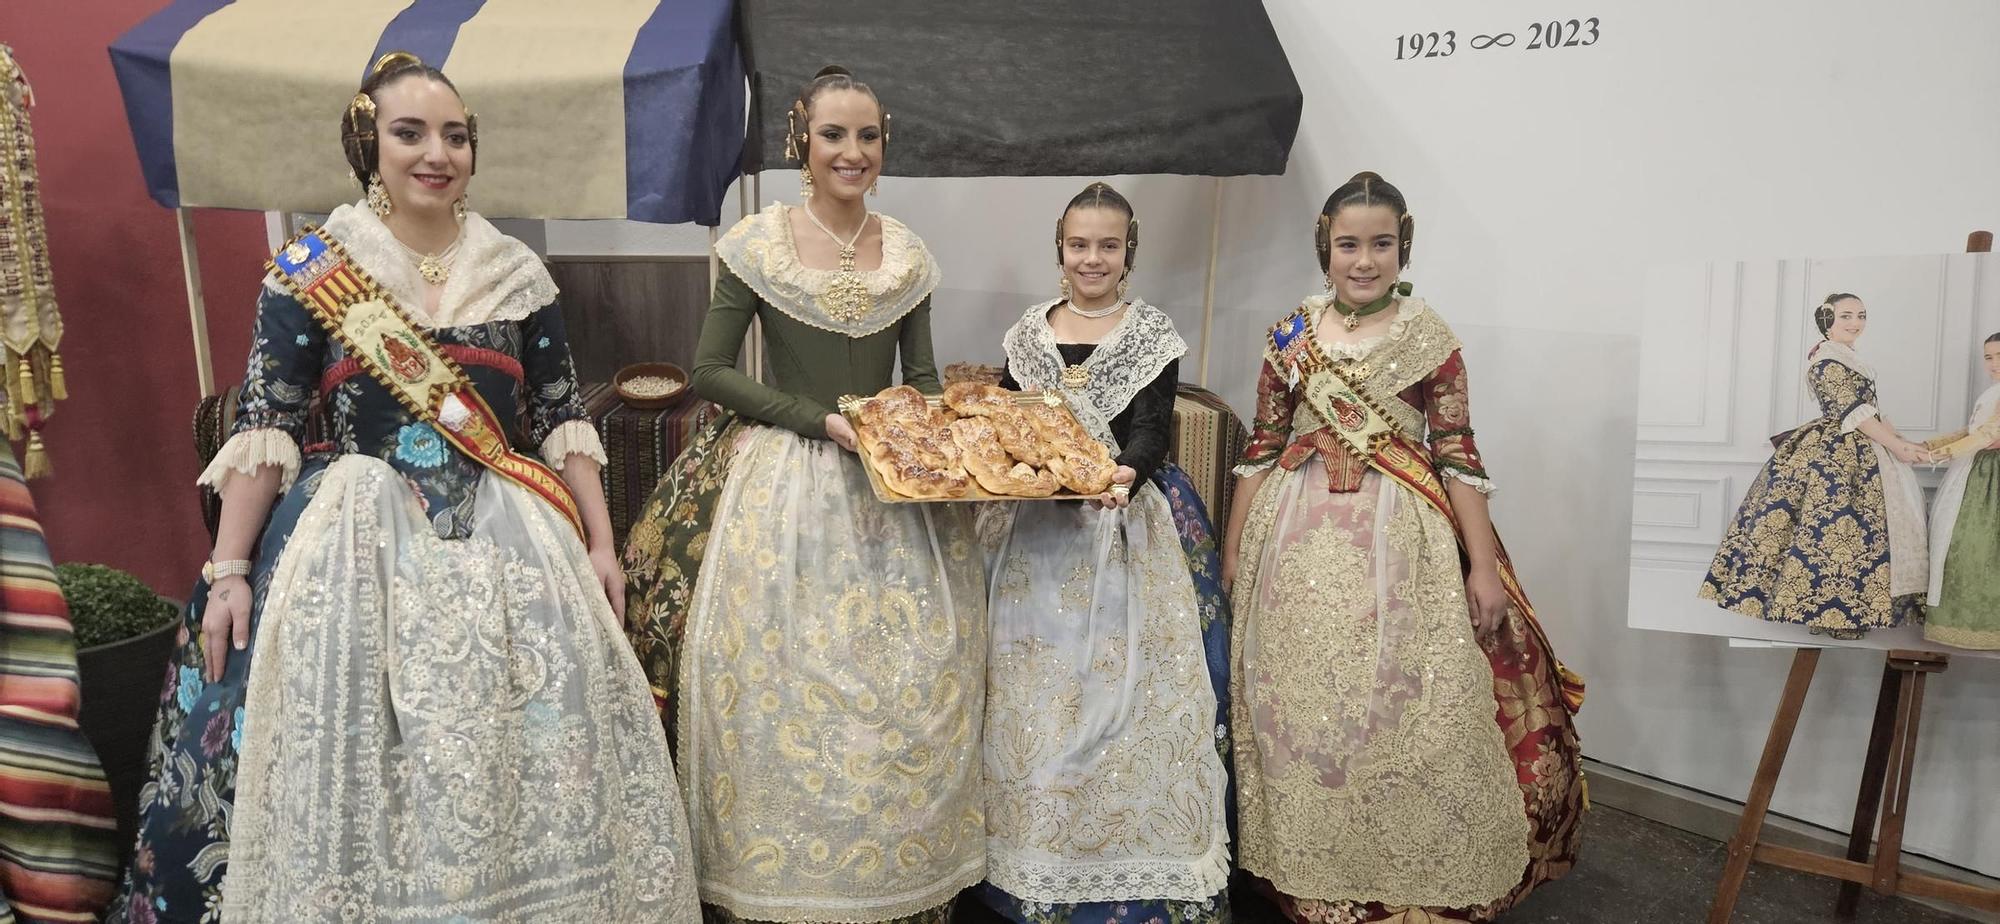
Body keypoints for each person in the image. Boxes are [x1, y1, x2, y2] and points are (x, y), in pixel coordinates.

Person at [110, 52, 698, 923]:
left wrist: (602, 548)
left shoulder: (515, 271)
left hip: (512, 542)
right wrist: (228, 571)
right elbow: (266, 429)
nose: (438, 153)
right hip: (353, 548)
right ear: (367, 142)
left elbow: (564, 420)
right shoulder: (316, 267)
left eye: (456, 136)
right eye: (411, 132)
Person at [622, 66, 984, 924]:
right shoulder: (759, 243)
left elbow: (922, 379)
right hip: (784, 478)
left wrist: (938, 439)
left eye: (867, 137)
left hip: (891, 485)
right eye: (834, 136)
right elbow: (710, 371)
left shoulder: (908, 252)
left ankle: (891, 880)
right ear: (802, 142)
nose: (851, 153)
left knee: (901, 676)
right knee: (781, 678)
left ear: (883, 144)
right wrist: (823, 423)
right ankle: (782, 884)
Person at [1220, 172, 1584, 922]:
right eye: (1349, 244)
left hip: (1402, 539)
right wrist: (1233, 553)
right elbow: (1259, 448)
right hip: (1292, 536)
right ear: (1325, 247)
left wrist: (1482, 566)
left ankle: (1395, 861)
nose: (1364, 260)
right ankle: (1306, 865)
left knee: (1402, 701)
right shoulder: (1290, 334)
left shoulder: (1430, 337)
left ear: (1403, 246)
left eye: (1380, 244)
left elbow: (1457, 454)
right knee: (1299, 700)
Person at [973, 182, 1232, 924]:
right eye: (1079, 244)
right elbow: (1007, 421)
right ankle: (1026, 851)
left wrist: (1125, 473)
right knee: (1035, 701)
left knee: (1118, 700)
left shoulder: (1151, 332)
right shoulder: (1028, 334)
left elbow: (1153, 428)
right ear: (1060, 250)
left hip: (1124, 529)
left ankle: (1123, 861)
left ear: (1130, 252)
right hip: (1035, 538)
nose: (1093, 258)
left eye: (1108, 245)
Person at [1701, 293, 1930, 638]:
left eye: (1861, 315)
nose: (1856, 323)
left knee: (1856, 536)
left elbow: (1873, 411)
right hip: (1836, 454)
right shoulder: (1826, 362)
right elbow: (1854, 413)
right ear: (1828, 322)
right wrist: (1896, 445)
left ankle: (1849, 612)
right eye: (1846, 316)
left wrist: (1903, 442)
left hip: (1863, 449)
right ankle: (1825, 613)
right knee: (1832, 530)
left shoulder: (1849, 359)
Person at [1922, 333, 2000, 649]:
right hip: (1976, 470)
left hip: (1990, 476)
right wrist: (1929, 445)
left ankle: (1984, 626)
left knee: (1980, 547)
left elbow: (1989, 435)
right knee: (1959, 544)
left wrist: (1940, 454)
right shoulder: (1991, 392)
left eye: (1999, 356)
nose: (1994, 364)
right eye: (1989, 357)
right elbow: (1971, 431)